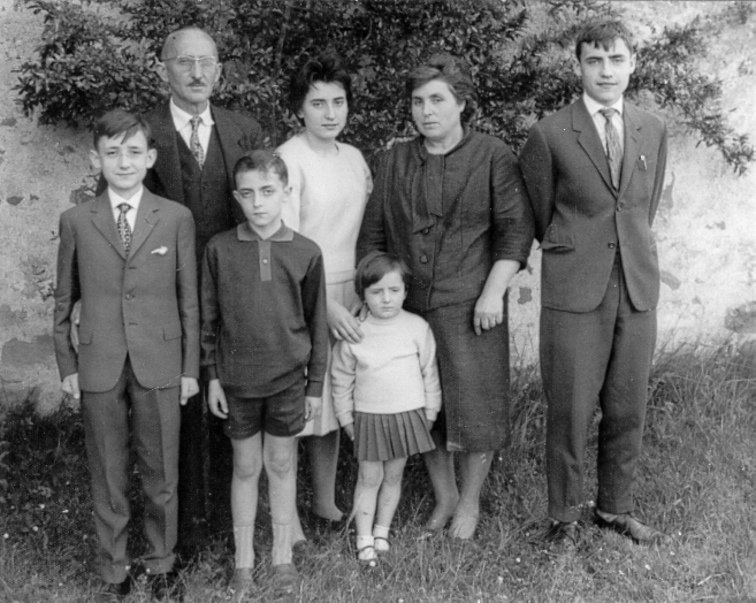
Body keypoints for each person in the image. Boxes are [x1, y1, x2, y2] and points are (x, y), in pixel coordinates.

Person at [92, 26, 263, 550]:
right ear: (162, 69)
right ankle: (184, 533)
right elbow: (110, 219)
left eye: (207, 62)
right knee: (177, 415)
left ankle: (234, 529)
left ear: (220, 71)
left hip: (233, 290)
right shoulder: (142, 135)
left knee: (234, 401)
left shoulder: (243, 129)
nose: (197, 73)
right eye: (184, 62)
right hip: (165, 298)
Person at [357, 55, 534, 539]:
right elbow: (373, 236)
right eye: (418, 102)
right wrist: (377, 297)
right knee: (423, 404)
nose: (426, 111)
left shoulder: (492, 155)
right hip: (409, 308)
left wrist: (493, 293)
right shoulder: (396, 160)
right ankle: (445, 495)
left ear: (462, 103)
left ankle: (470, 502)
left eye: (437, 100)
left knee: (476, 404)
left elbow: (515, 232)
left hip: (472, 304)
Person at [519, 18, 668, 546]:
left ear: (632, 64)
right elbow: (542, 214)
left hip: (636, 286)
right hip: (576, 288)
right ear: (578, 66)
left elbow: (641, 207)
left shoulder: (652, 128)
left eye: (616, 59)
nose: (606, 71)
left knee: (628, 406)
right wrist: (580, 250)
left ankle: (613, 509)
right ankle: (563, 517)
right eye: (594, 61)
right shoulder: (550, 133)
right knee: (571, 407)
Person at [53, 109, 199, 601]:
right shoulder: (77, 220)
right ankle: (114, 567)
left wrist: (189, 368)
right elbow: (63, 299)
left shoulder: (175, 218)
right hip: (99, 361)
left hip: (160, 359)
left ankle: (161, 562)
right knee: (108, 470)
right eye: (112, 152)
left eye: (134, 152)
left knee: (161, 470)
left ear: (150, 157)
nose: (124, 162)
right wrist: (67, 364)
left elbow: (189, 300)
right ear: (95, 159)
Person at [200, 150, 329, 598]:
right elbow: (209, 319)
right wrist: (212, 376)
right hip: (237, 380)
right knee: (245, 465)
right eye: (248, 193)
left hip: (288, 379)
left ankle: (281, 555)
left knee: (281, 463)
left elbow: (317, 324)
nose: (258, 203)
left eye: (268, 191)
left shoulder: (306, 252)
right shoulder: (219, 249)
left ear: (286, 192)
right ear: (236, 197)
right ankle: (243, 560)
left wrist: (315, 385)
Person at [276, 51, 373, 530]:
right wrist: (325, 306)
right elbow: (284, 244)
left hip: (351, 290)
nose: (330, 113)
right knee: (301, 400)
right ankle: (287, 515)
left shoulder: (354, 158)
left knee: (336, 400)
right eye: (318, 103)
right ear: (300, 108)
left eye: (338, 102)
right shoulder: (288, 160)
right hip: (304, 292)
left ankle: (325, 501)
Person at [331, 252, 441, 566]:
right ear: (363, 294)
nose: (386, 299)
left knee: (394, 476)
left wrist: (430, 412)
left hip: (407, 416)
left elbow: (429, 373)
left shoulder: (417, 328)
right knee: (369, 477)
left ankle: (382, 532)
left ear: (405, 292)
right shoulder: (355, 332)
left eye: (394, 290)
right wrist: (346, 418)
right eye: (376, 292)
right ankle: (363, 538)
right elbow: (341, 379)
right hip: (369, 418)